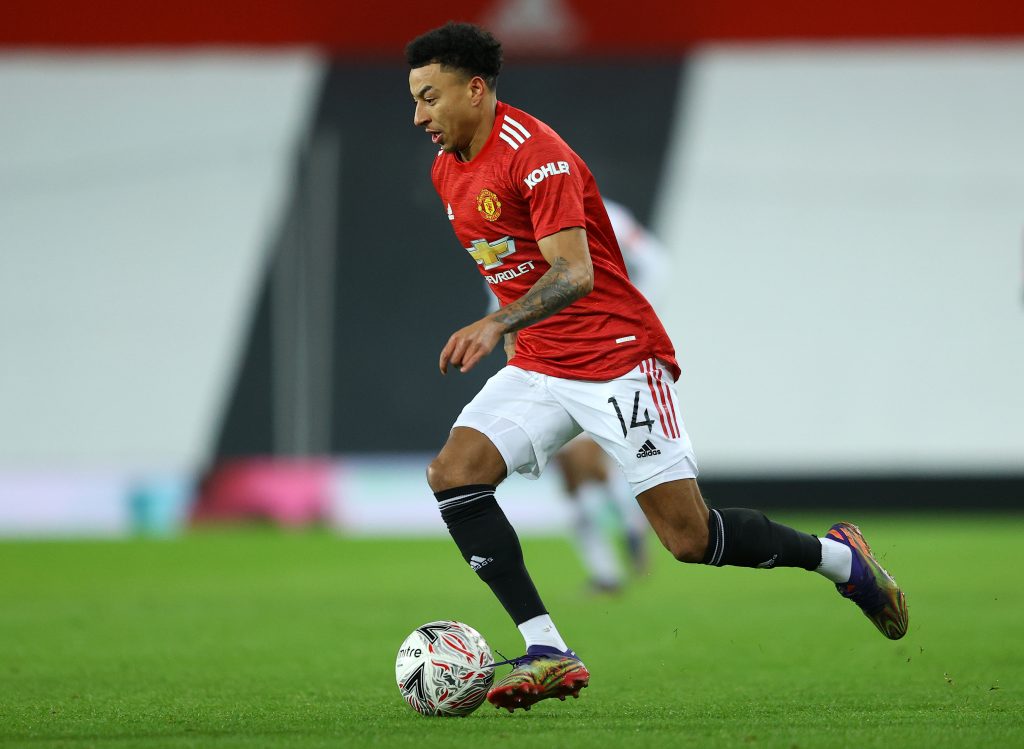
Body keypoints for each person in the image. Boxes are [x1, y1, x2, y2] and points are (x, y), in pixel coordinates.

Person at [406, 22, 908, 714]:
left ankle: (841, 559)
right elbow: (505, 258)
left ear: (475, 89)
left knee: (689, 538)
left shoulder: (537, 156)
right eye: (415, 100)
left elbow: (574, 272)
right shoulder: (447, 170)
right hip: (543, 363)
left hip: (617, 359)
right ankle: (547, 647)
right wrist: (517, 334)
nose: (419, 116)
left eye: (430, 98)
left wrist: (497, 322)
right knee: (454, 474)